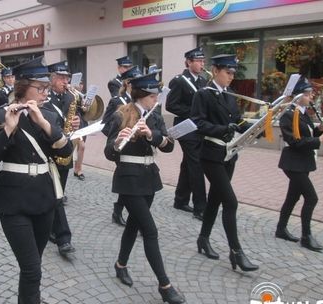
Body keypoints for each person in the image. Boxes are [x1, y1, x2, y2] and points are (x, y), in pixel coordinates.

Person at [0, 56, 73, 304]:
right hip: (13, 201)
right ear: (22, 87)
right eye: (39, 88)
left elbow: (66, 152)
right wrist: (8, 129)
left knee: (33, 265)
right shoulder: (0, 116)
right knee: (32, 268)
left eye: (46, 87)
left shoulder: (49, 116)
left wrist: (42, 123)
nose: (45, 92)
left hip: (44, 198)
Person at [104, 72, 185, 304]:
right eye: (153, 95)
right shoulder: (121, 114)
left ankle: (120, 265)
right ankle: (164, 285)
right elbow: (109, 152)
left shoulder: (155, 116)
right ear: (142, 95)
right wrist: (119, 140)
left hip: (149, 178)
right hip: (128, 179)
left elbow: (168, 146)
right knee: (150, 230)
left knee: (133, 223)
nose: (156, 98)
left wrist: (152, 135)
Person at [191, 54, 258, 272]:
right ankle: (236, 252)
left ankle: (203, 239)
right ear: (215, 70)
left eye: (233, 73)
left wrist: (252, 125)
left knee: (215, 199)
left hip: (229, 154)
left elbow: (236, 119)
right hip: (211, 154)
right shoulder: (204, 94)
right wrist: (222, 129)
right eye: (227, 72)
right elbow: (198, 123)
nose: (231, 77)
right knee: (231, 202)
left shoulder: (229, 94)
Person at [275, 78, 323, 252]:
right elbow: (294, 141)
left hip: (302, 162)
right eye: (307, 94)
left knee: (292, 197)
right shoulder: (288, 113)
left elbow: (306, 133)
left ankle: (281, 229)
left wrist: (320, 131)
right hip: (293, 162)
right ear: (298, 96)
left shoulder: (302, 112)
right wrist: (319, 140)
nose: (311, 97)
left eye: (310, 93)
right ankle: (306, 236)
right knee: (311, 198)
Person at [166, 47, 208, 220]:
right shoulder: (179, 81)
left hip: (199, 128)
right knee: (196, 164)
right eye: (198, 61)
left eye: (203, 61)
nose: (201, 64)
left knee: (188, 164)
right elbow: (171, 105)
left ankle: (180, 199)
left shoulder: (203, 81)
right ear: (189, 62)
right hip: (185, 129)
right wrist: (193, 111)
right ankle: (200, 207)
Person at [43, 60, 80, 257]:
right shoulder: (43, 97)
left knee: (58, 191)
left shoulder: (70, 97)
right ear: (52, 78)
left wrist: (77, 122)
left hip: (65, 150)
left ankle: (49, 226)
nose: (65, 81)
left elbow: (79, 118)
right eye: (61, 77)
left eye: (67, 77)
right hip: (50, 151)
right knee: (56, 194)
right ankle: (63, 237)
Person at [102, 65, 142, 226]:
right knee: (129, 181)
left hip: (139, 147)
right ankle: (133, 216)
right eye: (134, 82)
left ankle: (118, 210)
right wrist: (117, 137)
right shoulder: (117, 101)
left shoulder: (142, 103)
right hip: (122, 148)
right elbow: (106, 124)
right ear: (127, 84)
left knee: (133, 183)